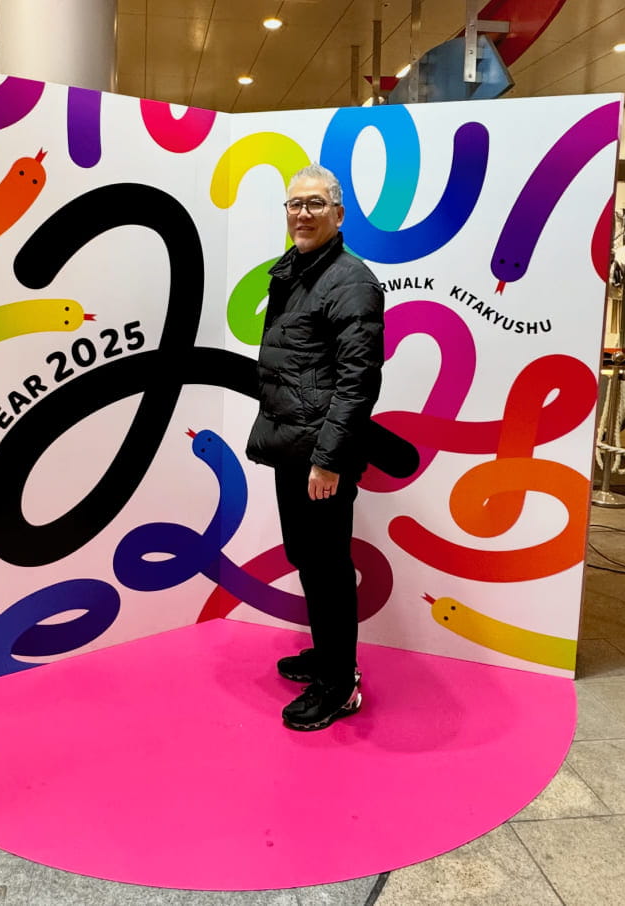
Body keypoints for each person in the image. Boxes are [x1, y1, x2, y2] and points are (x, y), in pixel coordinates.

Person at [245, 163, 385, 732]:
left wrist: (328, 460)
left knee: (327, 568)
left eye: (315, 204)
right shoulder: (296, 271)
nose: (302, 214)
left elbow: (358, 382)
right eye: (295, 204)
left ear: (338, 215)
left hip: (320, 457)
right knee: (308, 558)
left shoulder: (351, 281)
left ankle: (340, 683)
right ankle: (329, 654)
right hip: (292, 446)